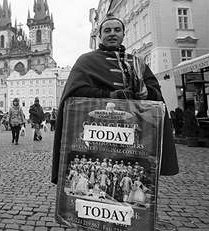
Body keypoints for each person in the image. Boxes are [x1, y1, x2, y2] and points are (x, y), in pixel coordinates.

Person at [51, 17, 179, 184]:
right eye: (107, 30)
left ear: (123, 34)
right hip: (98, 134)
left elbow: (156, 96)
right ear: (99, 36)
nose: (112, 34)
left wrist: (145, 92)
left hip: (134, 135)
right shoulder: (86, 61)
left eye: (117, 30)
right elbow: (74, 94)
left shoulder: (137, 62)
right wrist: (110, 96)